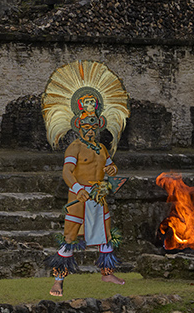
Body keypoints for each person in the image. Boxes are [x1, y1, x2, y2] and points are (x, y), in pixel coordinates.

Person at [41, 61, 130, 296]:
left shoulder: (102, 148)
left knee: (106, 234)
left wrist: (112, 171)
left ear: (99, 124)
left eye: (94, 124)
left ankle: (106, 273)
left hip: (99, 198)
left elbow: (110, 167)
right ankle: (58, 281)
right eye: (85, 125)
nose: (90, 128)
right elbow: (66, 173)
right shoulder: (74, 147)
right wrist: (78, 188)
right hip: (79, 196)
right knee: (70, 236)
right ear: (78, 126)